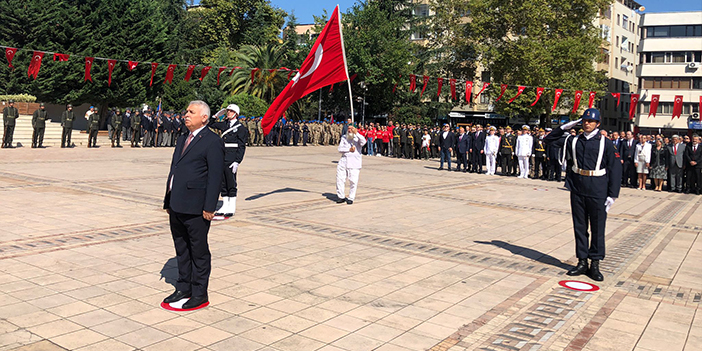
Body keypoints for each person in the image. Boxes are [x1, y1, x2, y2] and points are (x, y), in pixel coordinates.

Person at [544, 109, 621, 282]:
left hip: (598, 188)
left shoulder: (605, 143)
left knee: (597, 228)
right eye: (585, 120)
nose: (587, 123)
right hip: (578, 186)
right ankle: (581, 261)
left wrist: (612, 195)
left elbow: (615, 168)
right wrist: (563, 127)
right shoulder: (573, 140)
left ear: (598, 124)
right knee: (580, 227)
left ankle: (595, 263)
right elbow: (548, 140)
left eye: (591, 121)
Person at [163, 100, 224, 310]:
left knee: (198, 251)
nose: (186, 115)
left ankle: (199, 293)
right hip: (177, 203)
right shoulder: (183, 138)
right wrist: (168, 199)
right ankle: (183, 286)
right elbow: (175, 169)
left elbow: (215, 176)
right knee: (181, 248)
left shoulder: (212, 141)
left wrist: (209, 207)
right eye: (186, 111)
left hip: (197, 207)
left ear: (204, 118)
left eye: (191, 112)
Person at [208, 105, 248, 218]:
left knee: (231, 182)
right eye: (228, 111)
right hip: (222, 156)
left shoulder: (240, 128)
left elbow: (241, 146)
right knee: (223, 183)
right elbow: (210, 123)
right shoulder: (224, 124)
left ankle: (232, 206)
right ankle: (225, 205)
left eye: (231, 111)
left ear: (236, 113)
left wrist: (237, 161)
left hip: (232, 158)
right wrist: (216, 115)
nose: (228, 113)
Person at [336, 125, 366, 205]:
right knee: (340, 179)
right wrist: (348, 150)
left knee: (353, 181)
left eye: (351, 128)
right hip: (344, 161)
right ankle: (341, 196)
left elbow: (363, 142)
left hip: (354, 163)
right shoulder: (344, 137)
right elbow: (340, 149)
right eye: (348, 128)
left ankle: (351, 197)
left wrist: (357, 134)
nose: (349, 130)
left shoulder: (358, 138)